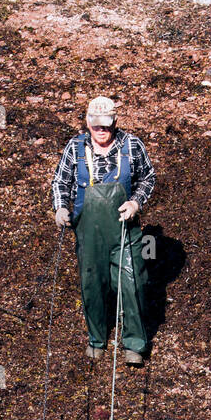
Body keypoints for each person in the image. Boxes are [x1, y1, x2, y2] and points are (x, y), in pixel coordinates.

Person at [52, 96, 155, 365]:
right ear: (87, 122)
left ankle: (134, 344)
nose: (101, 130)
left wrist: (135, 202)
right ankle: (96, 340)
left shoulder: (132, 145)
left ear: (115, 122)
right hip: (89, 233)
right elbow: (61, 181)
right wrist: (61, 208)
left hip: (125, 230)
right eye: (96, 124)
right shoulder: (74, 148)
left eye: (106, 125)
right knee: (92, 285)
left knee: (134, 284)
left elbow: (148, 177)